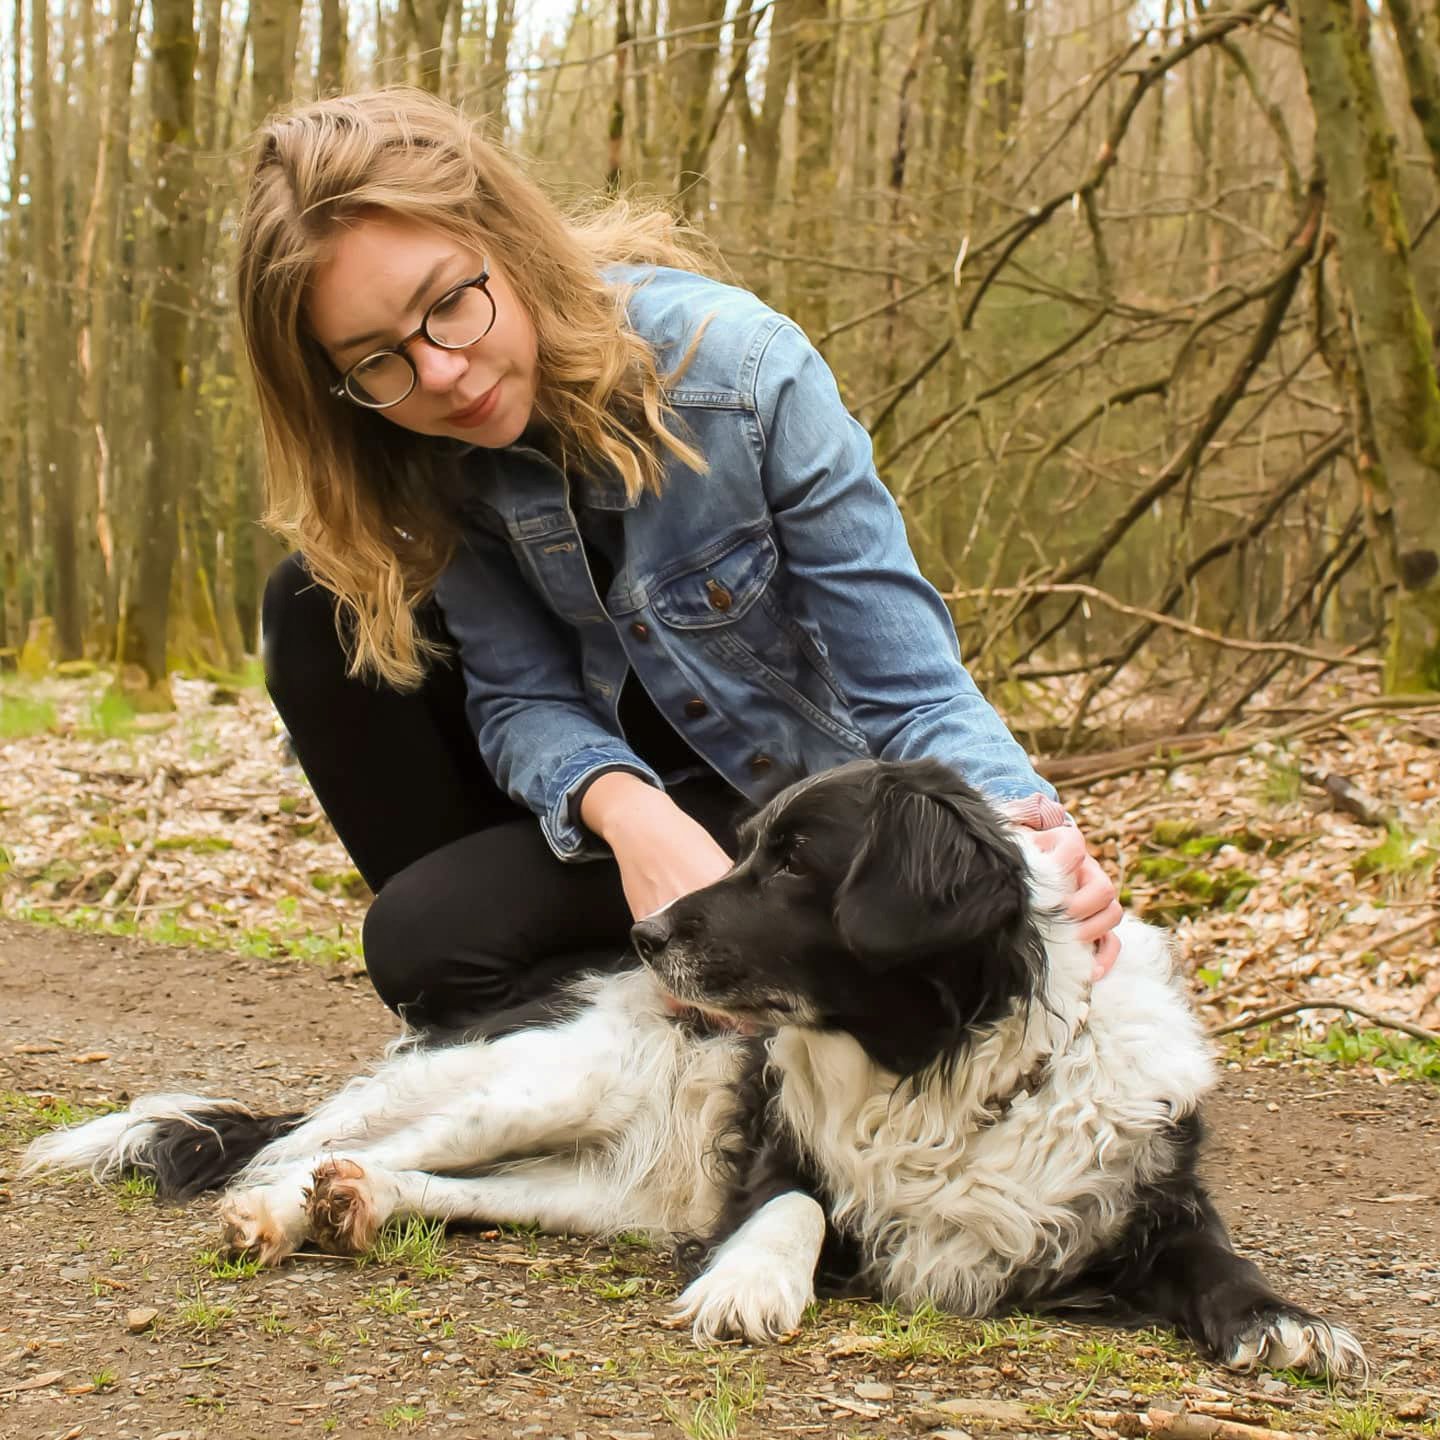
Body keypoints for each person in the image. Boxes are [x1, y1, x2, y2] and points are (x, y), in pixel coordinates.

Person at [247, 88, 1122, 1033]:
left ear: (510, 241)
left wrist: (1029, 849)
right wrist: (629, 816)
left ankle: (749, 1032)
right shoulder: (419, 448)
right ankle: (595, 1044)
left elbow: (910, 688)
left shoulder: (743, 374)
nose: (441, 374)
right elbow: (519, 696)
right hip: (627, 802)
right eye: (378, 359)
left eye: (449, 304)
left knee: (440, 939)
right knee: (327, 638)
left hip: (786, 823)